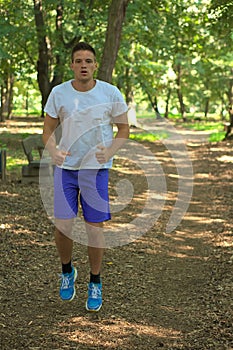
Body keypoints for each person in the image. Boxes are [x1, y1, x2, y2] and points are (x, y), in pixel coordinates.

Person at [42, 42, 129, 312]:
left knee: (94, 229)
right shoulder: (59, 93)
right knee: (63, 227)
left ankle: (95, 281)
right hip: (66, 170)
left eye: (88, 61)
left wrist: (110, 151)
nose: (83, 65)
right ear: (71, 65)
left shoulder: (110, 92)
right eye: (78, 60)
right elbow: (47, 131)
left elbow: (124, 129)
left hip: (96, 170)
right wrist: (54, 151)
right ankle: (67, 271)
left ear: (94, 65)